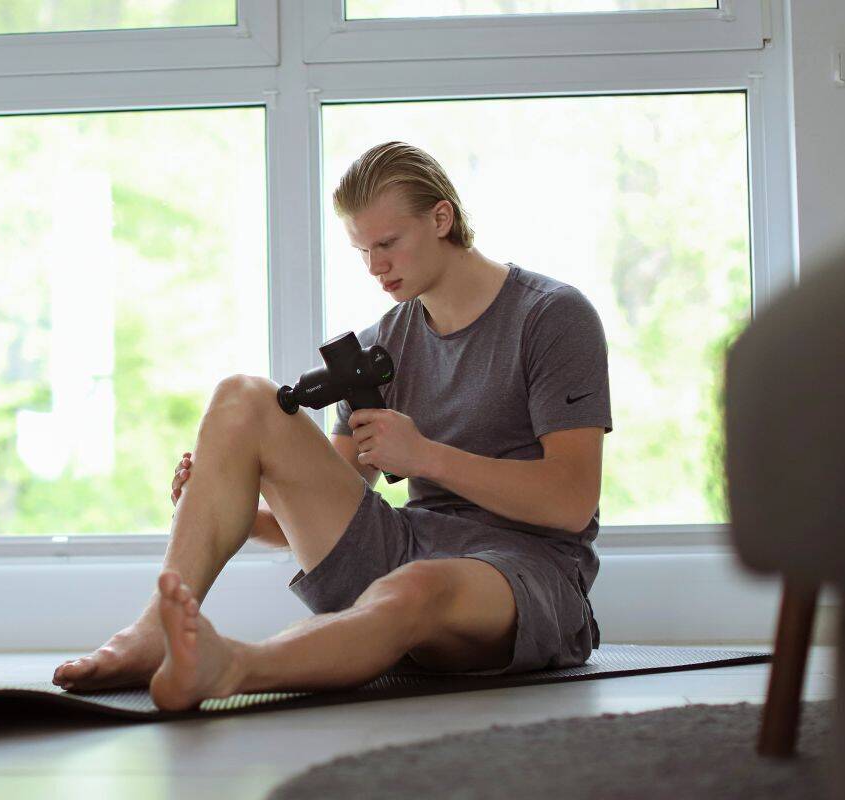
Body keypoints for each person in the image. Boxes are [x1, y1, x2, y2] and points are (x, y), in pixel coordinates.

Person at [51, 141, 611, 711]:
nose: (375, 266)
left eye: (389, 243)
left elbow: (570, 502)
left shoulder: (551, 316)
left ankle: (232, 667)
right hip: (406, 546)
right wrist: (231, 510)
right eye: (362, 249)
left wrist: (426, 457)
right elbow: (337, 517)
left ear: (441, 218)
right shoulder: (378, 345)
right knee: (241, 395)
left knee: (413, 586)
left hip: (524, 573)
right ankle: (152, 632)